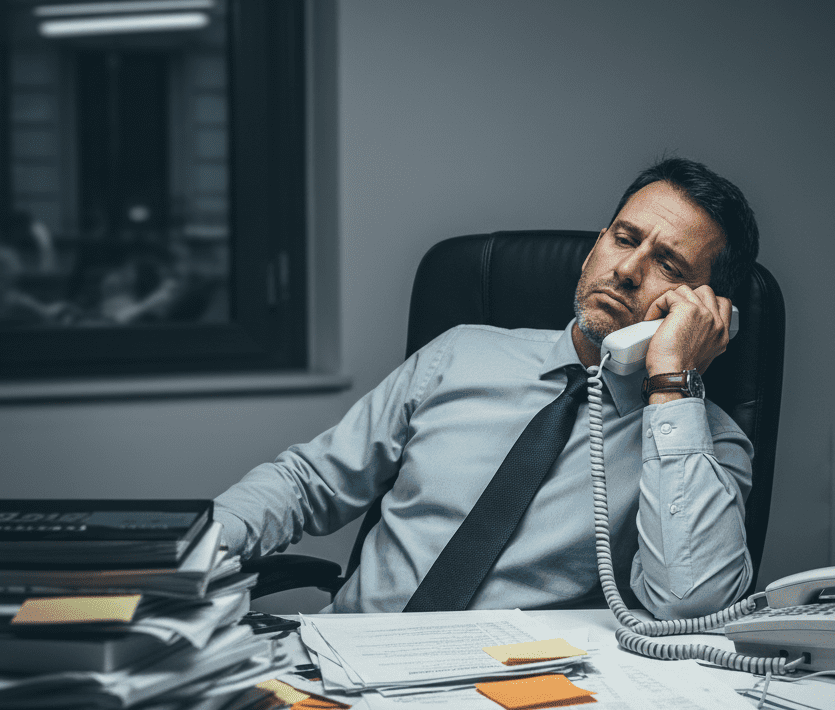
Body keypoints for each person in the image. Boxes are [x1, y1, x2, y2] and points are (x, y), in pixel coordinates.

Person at [214, 157, 760, 617]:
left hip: (513, 691)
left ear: (707, 311)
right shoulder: (459, 353)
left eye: (668, 265)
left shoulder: (705, 444)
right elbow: (307, 481)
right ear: (598, 244)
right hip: (345, 654)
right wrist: (194, 550)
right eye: (624, 239)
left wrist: (670, 385)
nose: (627, 270)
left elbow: (691, 603)